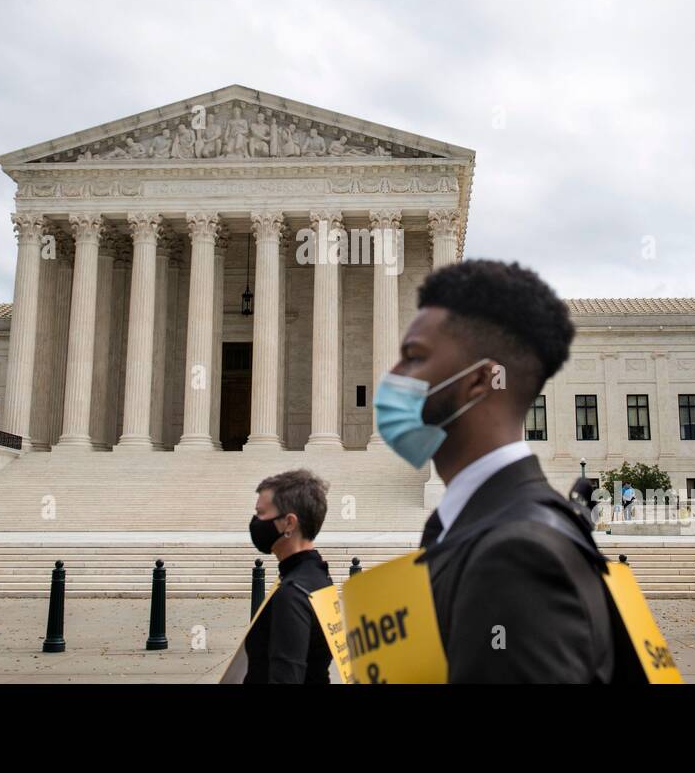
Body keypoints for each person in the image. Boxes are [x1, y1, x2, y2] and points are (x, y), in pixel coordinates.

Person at [375, 258, 632, 683]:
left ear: (478, 382)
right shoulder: (482, 523)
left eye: (413, 357)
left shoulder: (516, 556)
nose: (391, 376)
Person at [243, 469, 334, 684]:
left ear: (289, 523)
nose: (256, 521)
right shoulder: (318, 578)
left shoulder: (293, 593)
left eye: (261, 513)